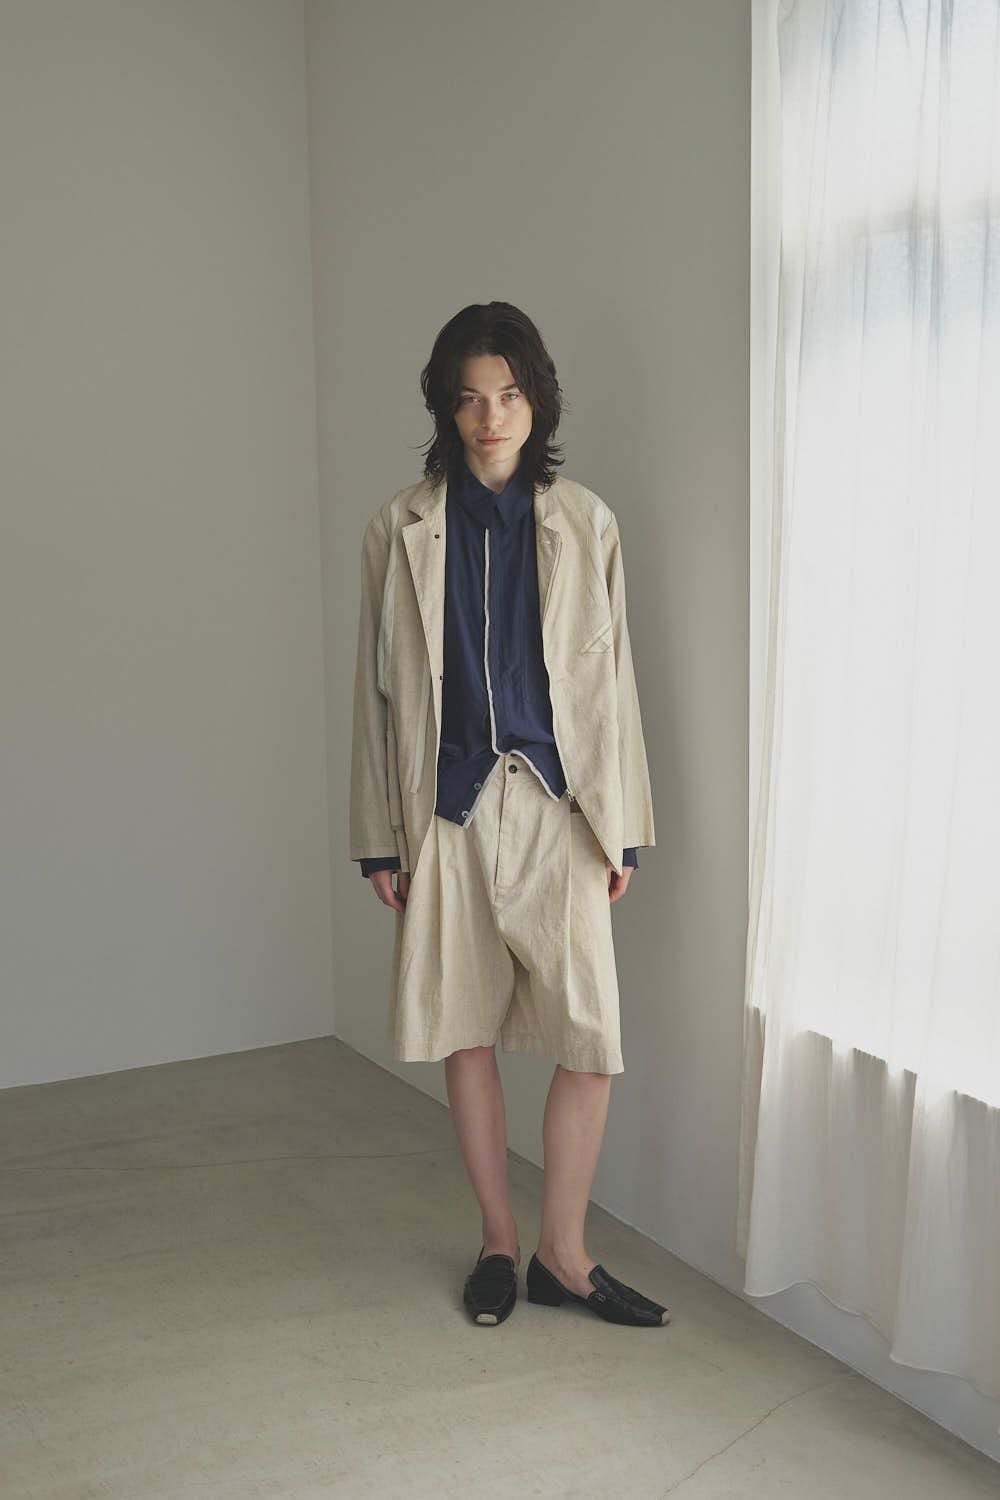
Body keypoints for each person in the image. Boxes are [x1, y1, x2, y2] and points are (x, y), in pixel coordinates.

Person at [349, 302, 668, 1329]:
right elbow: (375, 694)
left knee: (591, 1038)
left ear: (538, 403)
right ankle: (497, 1240)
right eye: (470, 399)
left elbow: (613, 687)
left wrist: (622, 825)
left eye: (510, 395)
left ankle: (562, 1256)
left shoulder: (586, 522)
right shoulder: (399, 528)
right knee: (465, 1026)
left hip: (559, 808)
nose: (492, 418)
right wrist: (376, 839)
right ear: (445, 409)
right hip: (444, 811)